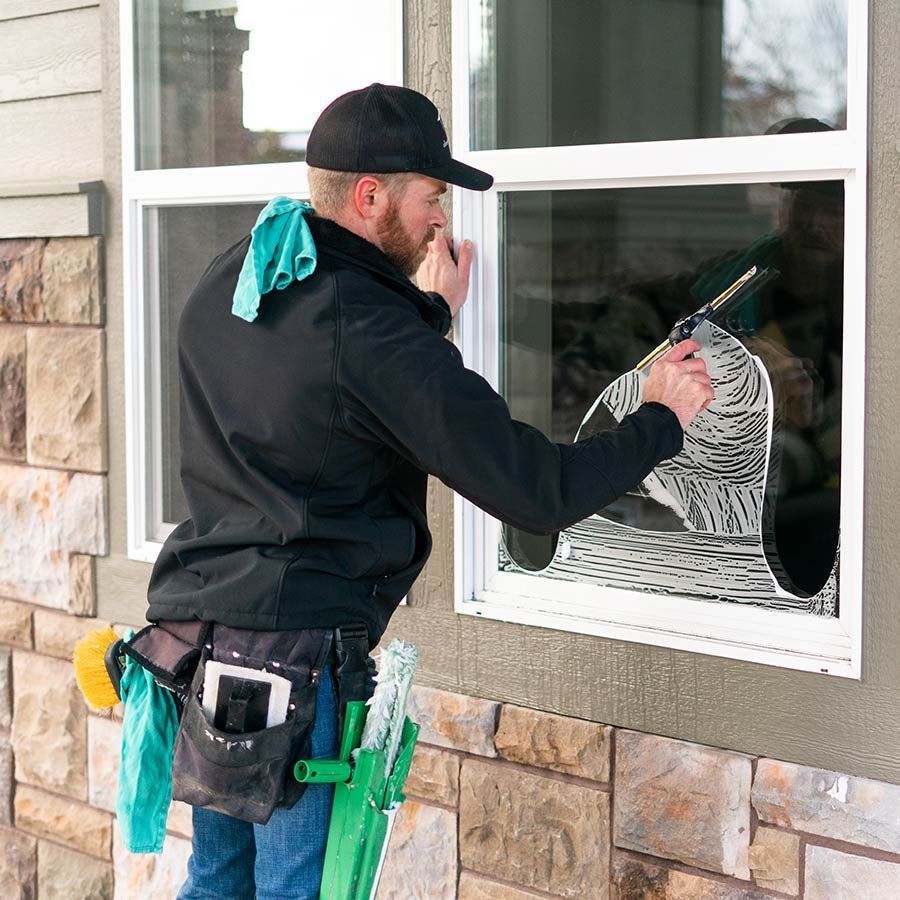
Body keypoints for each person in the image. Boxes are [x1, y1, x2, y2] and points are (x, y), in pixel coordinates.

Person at [149, 83, 712, 900]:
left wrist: (423, 317)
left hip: (209, 643)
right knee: (300, 892)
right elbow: (536, 489)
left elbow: (324, 393)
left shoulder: (239, 275)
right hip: (302, 664)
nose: (441, 222)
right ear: (371, 195)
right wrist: (659, 419)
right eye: (432, 198)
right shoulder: (372, 332)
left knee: (216, 881)